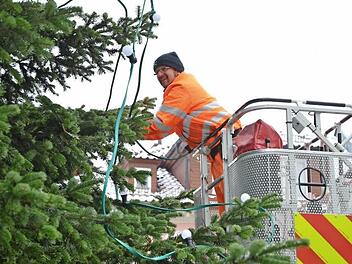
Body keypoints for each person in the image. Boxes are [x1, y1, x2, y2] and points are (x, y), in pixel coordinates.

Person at [143, 51, 241, 214]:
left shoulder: (180, 88)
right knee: (228, 205)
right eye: (157, 72)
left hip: (226, 147)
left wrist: (131, 128)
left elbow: (161, 126)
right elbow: (181, 123)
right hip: (220, 150)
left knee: (233, 204)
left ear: (176, 70)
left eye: (164, 69)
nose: (160, 74)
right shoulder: (180, 90)